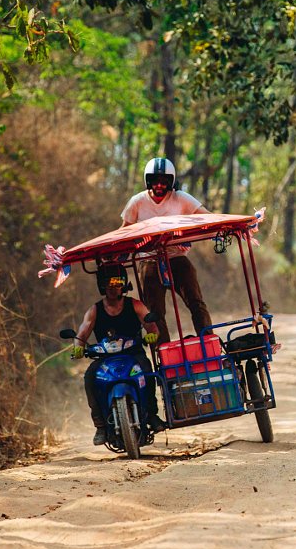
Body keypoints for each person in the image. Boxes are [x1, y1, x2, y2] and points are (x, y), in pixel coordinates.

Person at [71, 262, 166, 445]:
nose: (113, 288)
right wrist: (78, 347)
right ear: (102, 286)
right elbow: (81, 334)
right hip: (105, 358)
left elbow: (151, 325)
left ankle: (152, 415)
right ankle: (100, 426)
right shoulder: (94, 310)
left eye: (117, 282)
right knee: (90, 377)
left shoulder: (135, 305)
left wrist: (152, 335)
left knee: (147, 371)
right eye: (109, 283)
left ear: (124, 284)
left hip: (134, 355)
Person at [121, 157, 213, 343]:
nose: (160, 186)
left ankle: (208, 341)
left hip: (177, 257)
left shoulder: (181, 198)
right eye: (155, 181)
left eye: (164, 182)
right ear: (148, 181)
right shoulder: (137, 202)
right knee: (154, 312)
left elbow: (209, 217)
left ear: (171, 182)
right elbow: (123, 231)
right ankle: (164, 354)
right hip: (149, 259)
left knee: (196, 302)